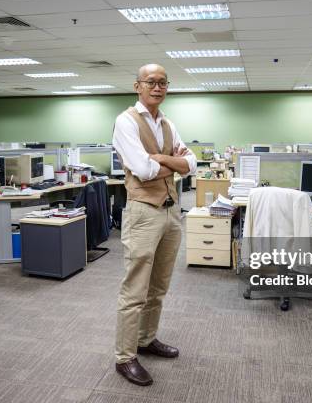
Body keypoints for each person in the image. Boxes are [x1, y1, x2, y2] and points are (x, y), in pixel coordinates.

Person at [112, 64, 197, 386]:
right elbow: (143, 171)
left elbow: (191, 162)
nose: (158, 87)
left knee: (159, 287)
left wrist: (162, 160)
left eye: (163, 82)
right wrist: (169, 163)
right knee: (135, 290)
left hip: (171, 212)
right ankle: (125, 356)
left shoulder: (167, 123)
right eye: (151, 82)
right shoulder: (125, 121)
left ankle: (146, 340)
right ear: (138, 86)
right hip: (143, 212)